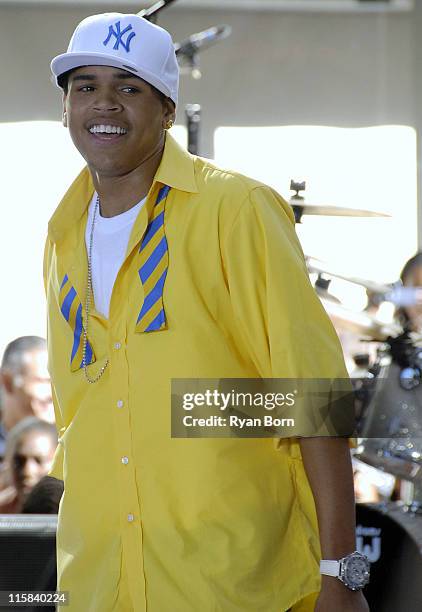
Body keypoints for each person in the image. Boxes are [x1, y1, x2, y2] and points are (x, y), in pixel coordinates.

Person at [45, 13, 369, 612]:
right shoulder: (63, 233)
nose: (104, 104)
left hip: (232, 586)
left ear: (167, 110)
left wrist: (339, 574)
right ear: (65, 109)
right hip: (100, 585)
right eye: (84, 87)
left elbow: (312, 394)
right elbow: (83, 408)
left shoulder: (235, 209)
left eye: (129, 87)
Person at [0, 336, 54, 463]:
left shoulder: (71, 447)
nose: (52, 395)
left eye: (57, 384)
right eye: (44, 381)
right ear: (7, 382)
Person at [0, 417, 57, 513]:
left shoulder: (74, 515)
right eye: (19, 461)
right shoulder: (4, 514)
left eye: (38, 461)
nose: (27, 472)